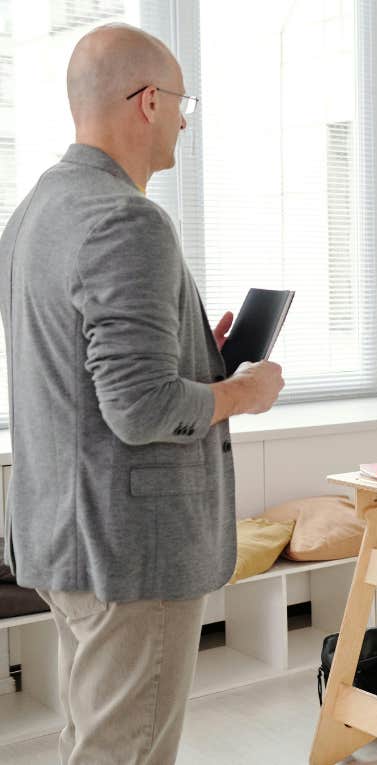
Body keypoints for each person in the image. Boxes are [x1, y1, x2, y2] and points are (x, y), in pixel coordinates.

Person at [0, 24, 284, 763]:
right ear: (148, 101)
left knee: (92, 737)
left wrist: (201, 357)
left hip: (63, 536)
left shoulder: (33, 214)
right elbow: (141, 409)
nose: (186, 120)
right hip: (131, 550)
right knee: (125, 751)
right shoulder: (128, 220)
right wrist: (244, 392)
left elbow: (82, 377)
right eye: (183, 102)